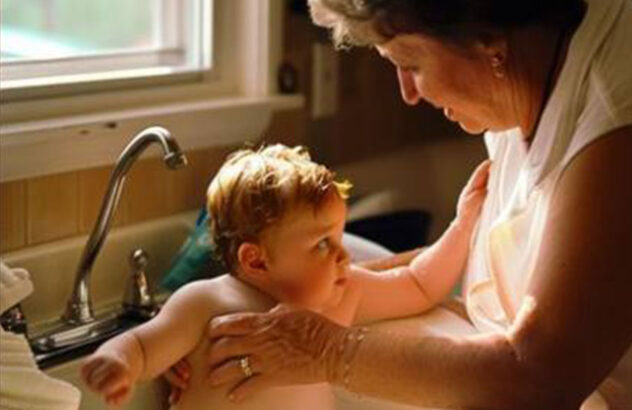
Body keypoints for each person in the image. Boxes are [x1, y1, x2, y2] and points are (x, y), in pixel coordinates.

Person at [194, 0, 632, 409]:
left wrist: (326, 351)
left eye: (411, 63)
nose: (408, 93)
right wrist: (266, 306)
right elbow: (475, 278)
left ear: (488, 38)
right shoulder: (526, 73)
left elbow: (538, 381)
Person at [79, 144, 488, 409]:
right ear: (256, 262)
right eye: (322, 244)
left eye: (339, 236)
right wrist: (117, 363)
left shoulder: (342, 297)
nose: (344, 255)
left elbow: (419, 284)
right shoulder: (207, 304)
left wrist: (464, 224)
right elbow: (143, 346)